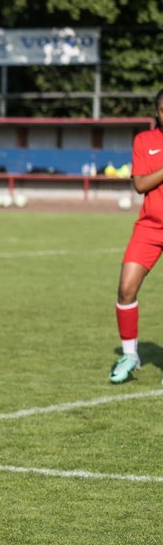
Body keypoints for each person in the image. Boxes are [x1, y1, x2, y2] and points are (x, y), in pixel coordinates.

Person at [109, 88, 163, 385]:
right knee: (126, 289)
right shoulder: (145, 141)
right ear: (157, 112)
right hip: (150, 227)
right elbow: (141, 185)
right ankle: (130, 354)